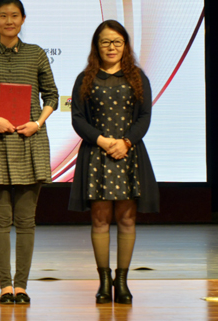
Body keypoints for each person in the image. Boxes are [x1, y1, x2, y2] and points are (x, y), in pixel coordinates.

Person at [0, 0, 58, 305]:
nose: (9, 21)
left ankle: (22, 286)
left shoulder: (36, 54)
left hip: (30, 141)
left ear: (23, 19)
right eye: (3, 16)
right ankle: (5, 286)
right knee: (0, 219)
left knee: (27, 220)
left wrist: (37, 122)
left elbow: (52, 95)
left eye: (15, 15)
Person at [68, 20, 159, 304]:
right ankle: (104, 282)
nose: (111, 47)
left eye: (117, 42)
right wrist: (103, 141)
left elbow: (144, 116)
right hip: (97, 154)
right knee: (99, 219)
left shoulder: (138, 77)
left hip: (129, 154)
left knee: (127, 219)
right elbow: (78, 119)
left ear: (125, 46)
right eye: (106, 42)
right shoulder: (85, 78)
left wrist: (126, 142)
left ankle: (122, 282)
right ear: (97, 46)